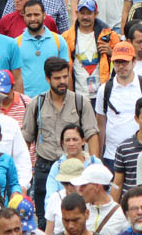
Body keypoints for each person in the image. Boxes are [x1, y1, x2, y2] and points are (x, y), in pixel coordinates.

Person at [21, 58, 100, 229]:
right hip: (45, 167)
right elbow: (26, 140)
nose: (63, 81)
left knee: (78, 217)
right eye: (57, 78)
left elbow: (92, 135)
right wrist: (24, 176)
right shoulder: (37, 104)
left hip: (76, 168)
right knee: (45, 218)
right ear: (47, 79)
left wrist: (93, 167)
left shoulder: (81, 102)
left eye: (65, 77)